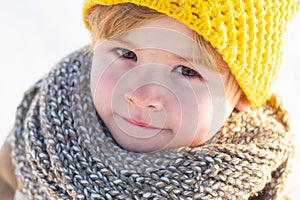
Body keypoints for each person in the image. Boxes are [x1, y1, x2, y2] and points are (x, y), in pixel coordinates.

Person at [0, 0, 299, 199]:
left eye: (186, 71)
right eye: (127, 55)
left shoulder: (255, 182)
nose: (142, 96)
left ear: (241, 95)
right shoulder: (42, 133)